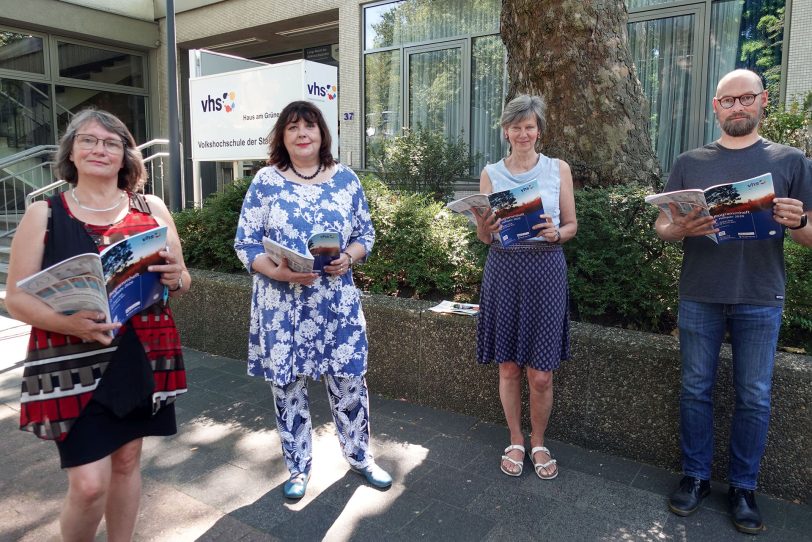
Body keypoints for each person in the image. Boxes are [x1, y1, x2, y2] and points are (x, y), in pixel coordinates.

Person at [6, 109, 190, 541]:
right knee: (89, 486)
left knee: (127, 464)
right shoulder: (44, 214)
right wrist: (74, 326)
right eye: (88, 140)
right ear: (71, 151)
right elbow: (15, 298)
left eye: (111, 142)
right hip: (71, 362)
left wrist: (176, 276)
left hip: (141, 355)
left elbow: (181, 280)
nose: (99, 149)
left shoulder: (152, 208)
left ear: (125, 155)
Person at [654, 69, 812, 534]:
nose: (737, 107)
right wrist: (681, 227)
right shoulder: (690, 161)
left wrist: (796, 220)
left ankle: (744, 487)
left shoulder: (792, 160)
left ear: (763, 101)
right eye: (728, 101)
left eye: (746, 99)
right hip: (700, 290)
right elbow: (663, 229)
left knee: (755, 395)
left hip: (761, 294)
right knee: (694, 388)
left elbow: (810, 237)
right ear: (715, 106)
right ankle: (696, 477)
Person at [234, 100, 392, 500]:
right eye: (292, 127)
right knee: (287, 386)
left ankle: (359, 457)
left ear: (322, 133)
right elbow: (245, 242)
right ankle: (298, 467)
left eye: (309, 125)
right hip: (281, 304)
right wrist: (277, 271)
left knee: (349, 381)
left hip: (336, 302)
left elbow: (365, 235)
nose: (302, 133)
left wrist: (349, 257)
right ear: (282, 138)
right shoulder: (266, 181)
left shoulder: (346, 181)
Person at [473, 94, 577, 480]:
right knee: (509, 366)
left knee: (542, 372)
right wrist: (486, 228)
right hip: (504, 268)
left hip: (546, 268)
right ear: (505, 131)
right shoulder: (491, 173)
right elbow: (484, 238)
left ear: (539, 130)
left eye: (529, 126)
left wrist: (557, 233)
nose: (523, 133)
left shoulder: (557, 169)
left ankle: (539, 441)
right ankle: (516, 439)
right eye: (515, 127)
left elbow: (571, 225)